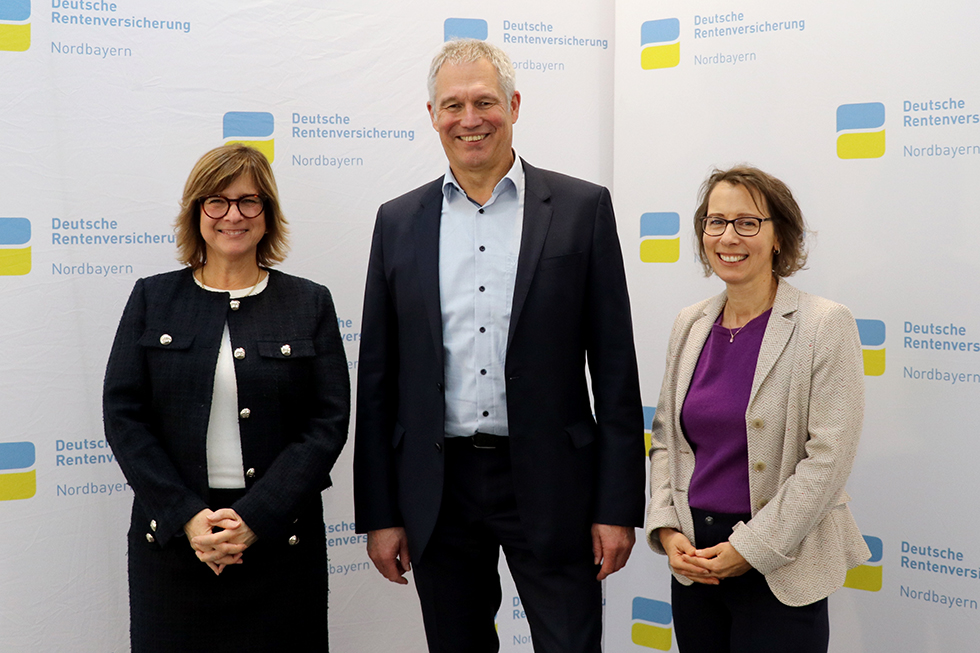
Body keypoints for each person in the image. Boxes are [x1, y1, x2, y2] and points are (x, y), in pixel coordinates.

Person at [353, 39, 644, 653]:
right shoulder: (397, 221)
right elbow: (378, 380)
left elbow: (615, 368)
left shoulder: (580, 208)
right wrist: (380, 514)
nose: (470, 119)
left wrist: (617, 505)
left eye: (484, 101)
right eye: (452, 105)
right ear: (431, 115)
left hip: (554, 482)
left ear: (513, 104)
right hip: (439, 487)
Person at [103, 144, 350, 652]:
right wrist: (187, 517)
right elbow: (124, 416)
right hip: (173, 543)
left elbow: (326, 423)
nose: (233, 215)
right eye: (216, 201)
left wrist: (256, 518)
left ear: (268, 214)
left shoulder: (309, 302)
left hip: (279, 542)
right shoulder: (153, 298)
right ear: (197, 212)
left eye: (248, 201)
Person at [645, 166, 871, 652]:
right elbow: (666, 439)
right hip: (695, 560)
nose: (729, 236)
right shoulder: (690, 324)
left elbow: (828, 461)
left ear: (778, 238)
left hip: (782, 561)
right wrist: (666, 527)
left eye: (747, 222)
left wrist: (752, 548)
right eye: (715, 221)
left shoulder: (823, 324)